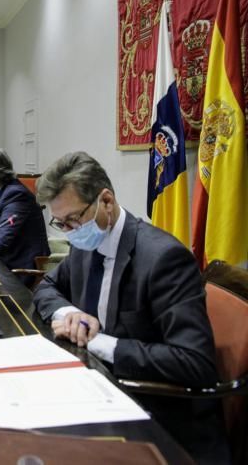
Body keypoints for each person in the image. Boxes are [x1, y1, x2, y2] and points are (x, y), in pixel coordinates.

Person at [31, 151, 227, 464]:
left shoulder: (163, 259)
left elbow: (195, 363)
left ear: (105, 201)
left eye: (73, 220)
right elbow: (47, 288)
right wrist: (70, 314)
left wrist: (99, 342)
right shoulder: (86, 246)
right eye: (60, 223)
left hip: (161, 418)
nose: (69, 232)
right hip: (97, 390)